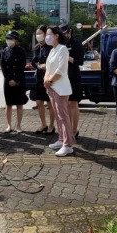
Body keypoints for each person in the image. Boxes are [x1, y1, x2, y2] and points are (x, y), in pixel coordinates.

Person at [43, 25, 75, 156]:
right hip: (52, 87)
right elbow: (48, 68)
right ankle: (61, 139)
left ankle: (68, 145)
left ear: (56, 35)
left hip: (60, 87)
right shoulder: (52, 50)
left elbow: (60, 70)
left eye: (49, 34)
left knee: (63, 116)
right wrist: (46, 79)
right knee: (57, 115)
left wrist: (49, 80)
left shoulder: (62, 49)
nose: (47, 37)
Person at [60, 23, 84, 139]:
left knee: (73, 103)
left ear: (70, 31)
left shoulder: (76, 43)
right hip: (62, 76)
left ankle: (74, 130)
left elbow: (80, 61)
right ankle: (67, 129)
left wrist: (67, 57)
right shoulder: (60, 44)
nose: (64, 35)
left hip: (73, 76)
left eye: (66, 32)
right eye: (62, 33)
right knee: (65, 104)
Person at [1, 30, 28, 133]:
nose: (9, 41)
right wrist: (8, 79)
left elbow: (21, 67)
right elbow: (3, 66)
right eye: (8, 38)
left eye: (11, 39)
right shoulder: (4, 51)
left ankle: (19, 125)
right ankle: (9, 125)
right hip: (7, 81)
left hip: (19, 80)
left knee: (19, 104)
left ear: (16, 40)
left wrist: (15, 80)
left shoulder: (21, 51)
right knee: (8, 104)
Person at [31, 24, 55, 134]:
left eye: (40, 33)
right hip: (39, 77)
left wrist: (46, 65)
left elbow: (54, 61)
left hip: (50, 78)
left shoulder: (51, 47)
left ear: (46, 34)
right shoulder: (37, 47)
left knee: (50, 104)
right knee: (39, 102)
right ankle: (43, 124)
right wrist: (38, 65)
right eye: (37, 33)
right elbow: (34, 61)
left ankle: (51, 125)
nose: (38, 35)